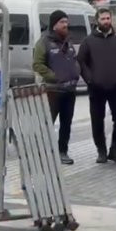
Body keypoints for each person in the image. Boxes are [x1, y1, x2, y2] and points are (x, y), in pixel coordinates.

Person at [78, 8, 116, 164]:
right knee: (97, 120)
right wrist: (90, 79)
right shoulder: (88, 41)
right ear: (97, 21)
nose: (106, 21)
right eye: (103, 19)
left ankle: (115, 149)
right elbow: (81, 62)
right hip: (96, 89)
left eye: (108, 18)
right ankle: (101, 151)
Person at [32, 10, 81, 165]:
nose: (65, 25)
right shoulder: (44, 43)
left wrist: (75, 72)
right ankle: (41, 152)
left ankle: (62, 151)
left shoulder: (68, 41)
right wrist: (54, 76)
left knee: (66, 123)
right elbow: (37, 64)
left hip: (69, 91)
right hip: (52, 91)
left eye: (66, 21)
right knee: (48, 123)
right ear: (54, 25)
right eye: (62, 22)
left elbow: (73, 59)